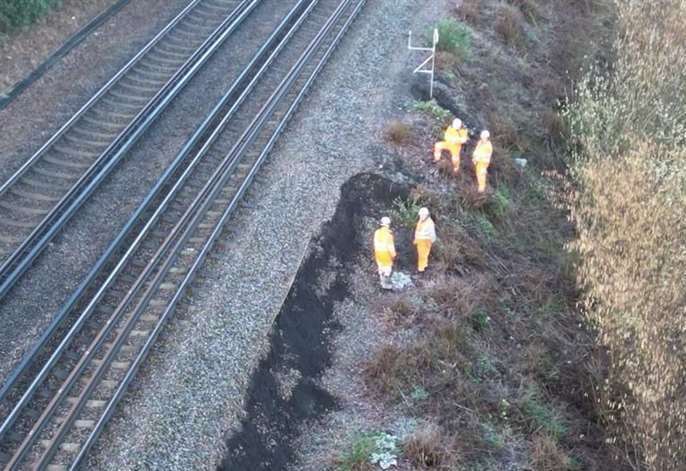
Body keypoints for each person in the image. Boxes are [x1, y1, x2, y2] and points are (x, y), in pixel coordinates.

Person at [373, 217, 396, 289]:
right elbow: (390, 247)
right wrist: (394, 255)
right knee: (387, 270)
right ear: (388, 224)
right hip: (386, 255)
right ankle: (386, 285)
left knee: (381, 267)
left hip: (378, 254)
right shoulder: (389, 235)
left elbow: (375, 243)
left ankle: (382, 283)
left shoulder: (377, 232)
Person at [413, 207, 436, 273]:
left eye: (422, 215)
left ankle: (421, 269)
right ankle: (424, 266)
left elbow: (432, 234)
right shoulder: (420, 221)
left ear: (426, 215)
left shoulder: (429, 223)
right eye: (420, 215)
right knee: (421, 255)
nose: (421, 216)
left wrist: (431, 241)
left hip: (426, 242)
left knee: (423, 255)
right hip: (420, 241)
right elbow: (417, 230)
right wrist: (416, 239)